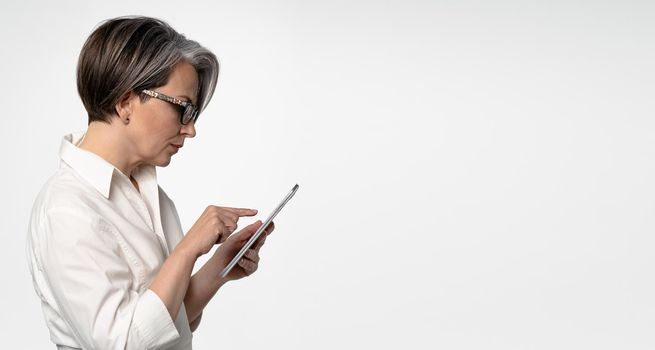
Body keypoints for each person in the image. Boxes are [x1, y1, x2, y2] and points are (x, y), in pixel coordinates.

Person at [25, 16, 275, 349]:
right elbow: (123, 343)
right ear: (126, 102)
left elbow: (167, 321)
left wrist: (219, 267)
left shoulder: (150, 195)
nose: (191, 128)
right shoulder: (66, 209)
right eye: (183, 109)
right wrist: (188, 249)